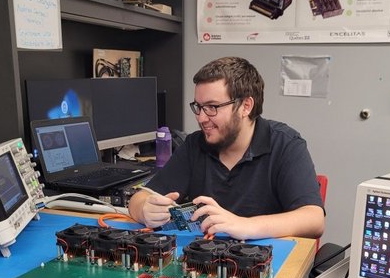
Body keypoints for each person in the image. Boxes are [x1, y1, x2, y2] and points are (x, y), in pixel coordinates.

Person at [128, 56, 325, 240]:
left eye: (212, 107)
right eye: (198, 106)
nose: (201, 118)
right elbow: (139, 198)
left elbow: (314, 219)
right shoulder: (195, 145)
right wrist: (145, 210)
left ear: (246, 106)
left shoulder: (285, 144)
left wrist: (244, 225)